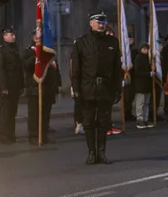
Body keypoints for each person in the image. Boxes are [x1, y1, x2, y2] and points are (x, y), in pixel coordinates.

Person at [72, 12, 122, 164]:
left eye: (103, 23)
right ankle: (91, 153)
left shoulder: (112, 42)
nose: (101, 25)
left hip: (105, 88)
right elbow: (76, 68)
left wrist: (117, 89)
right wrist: (76, 88)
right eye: (98, 22)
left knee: (103, 121)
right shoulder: (82, 42)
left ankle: (101, 153)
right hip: (87, 87)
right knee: (88, 122)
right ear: (91, 23)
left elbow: (117, 68)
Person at [24, 29, 60, 144]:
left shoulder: (48, 51)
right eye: (35, 35)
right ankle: (34, 136)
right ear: (32, 38)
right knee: (34, 115)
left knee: (45, 114)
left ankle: (43, 135)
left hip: (48, 88)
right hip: (35, 87)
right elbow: (27, 66)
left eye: (39, 35)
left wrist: (58, 84)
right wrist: (37, 56)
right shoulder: (29, 52)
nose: (38, 37)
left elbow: (55, 69)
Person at [0, 26, 23, 144]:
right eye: (10, 35)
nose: (13, 37)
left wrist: (22, 85)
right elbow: (0, 70)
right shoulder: (0, 51)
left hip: (15, 86)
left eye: (14, 35)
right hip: (6, 86)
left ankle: (11, 134)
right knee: (5, 112)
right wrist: (3, 87)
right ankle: (4, 135)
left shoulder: (14, 50)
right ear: (4, 37)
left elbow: (19, 70)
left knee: (12, 111)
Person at [131, 43, 154, 128]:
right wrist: (148, 74)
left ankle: (145, 118)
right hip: (140, 84)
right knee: (140, 102)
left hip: (147, 84)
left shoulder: (148, 58)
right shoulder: (138, 58)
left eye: (147, 49)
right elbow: (137, 72)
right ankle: (139, 119)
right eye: (144, 49)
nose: (146, 51)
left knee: (146, 103)